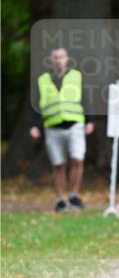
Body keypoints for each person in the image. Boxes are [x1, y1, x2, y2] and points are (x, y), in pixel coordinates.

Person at [29, 46, 95, 211]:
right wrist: (35, 126)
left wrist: (90, 121)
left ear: (67, 59)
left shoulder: (76, 76)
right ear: (51, 60)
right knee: (58, 164)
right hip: (52, 127)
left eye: (61, 57)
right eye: (56, 57)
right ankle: (60, 199)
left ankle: (74, 195)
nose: (59, 60)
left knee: (78, 159)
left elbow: (86, 98)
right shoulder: (43, 79)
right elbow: (37, 104)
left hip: (75, 125)